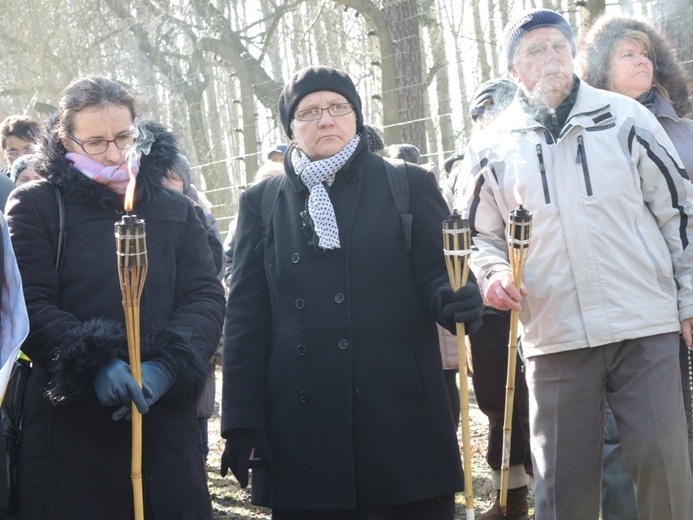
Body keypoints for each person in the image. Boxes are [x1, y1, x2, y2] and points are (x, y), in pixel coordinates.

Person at [455, 9, 693, 520]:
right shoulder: (491, 147)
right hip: (553, 334)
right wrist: (493, 276)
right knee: (562, 489)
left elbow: (680, 213)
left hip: (645, 326)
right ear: (513, 71)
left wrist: (689, 299)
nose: (551, 58)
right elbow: (477, 235)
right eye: (535, 51)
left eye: (558, 46)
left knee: (664, 471)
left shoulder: (627, 118)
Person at [220, 65, 483, 520]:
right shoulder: (261, 203)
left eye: (338, 108)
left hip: (397, 417)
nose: (326, 120)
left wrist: (456, 295)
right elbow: (245, 318)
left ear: (356, 117)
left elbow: (438, 272)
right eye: (310, 112)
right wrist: (241, 418)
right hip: (301, 428)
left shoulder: (408, 184)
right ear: (290, 128)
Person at [5, 75, 226, 519]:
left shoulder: (175, 208)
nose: (114, 153)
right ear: (66, 140)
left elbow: (203, 295)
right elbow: (29, 301)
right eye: (96, 142)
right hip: (70, 424)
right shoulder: (36, 205)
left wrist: (168, 365)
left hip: (162, 417)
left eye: (123, 136)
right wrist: (93, 361)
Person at [577, 14, 693, 519]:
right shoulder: (585, 132)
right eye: (627, 53)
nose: (641, 59)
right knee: (622, 442)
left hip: (684, 300)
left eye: (646, 52)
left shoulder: (685, 132)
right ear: (601, 70)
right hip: (626, 310)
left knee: (677, 434)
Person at [457, 77, 532, 520]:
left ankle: (551, 486)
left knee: (532, 398)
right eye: (480, 111)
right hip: (483, 303)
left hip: (530, 296)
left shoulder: (525, 153)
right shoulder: (467, 163)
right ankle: (511, 494)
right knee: (495, 399)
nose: (488, 117)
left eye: (496, 107)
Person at [163, 153, 224, 462]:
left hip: (193, 332)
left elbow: (214, 265)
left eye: (173, 177)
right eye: (161, 176)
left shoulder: (197, 214)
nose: (167, 183)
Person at [0, 115, 39, 211]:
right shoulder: (2, 186)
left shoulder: (54, 181)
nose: (21, 157)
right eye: (13, 152)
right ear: (3, 152)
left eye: (28, 149)